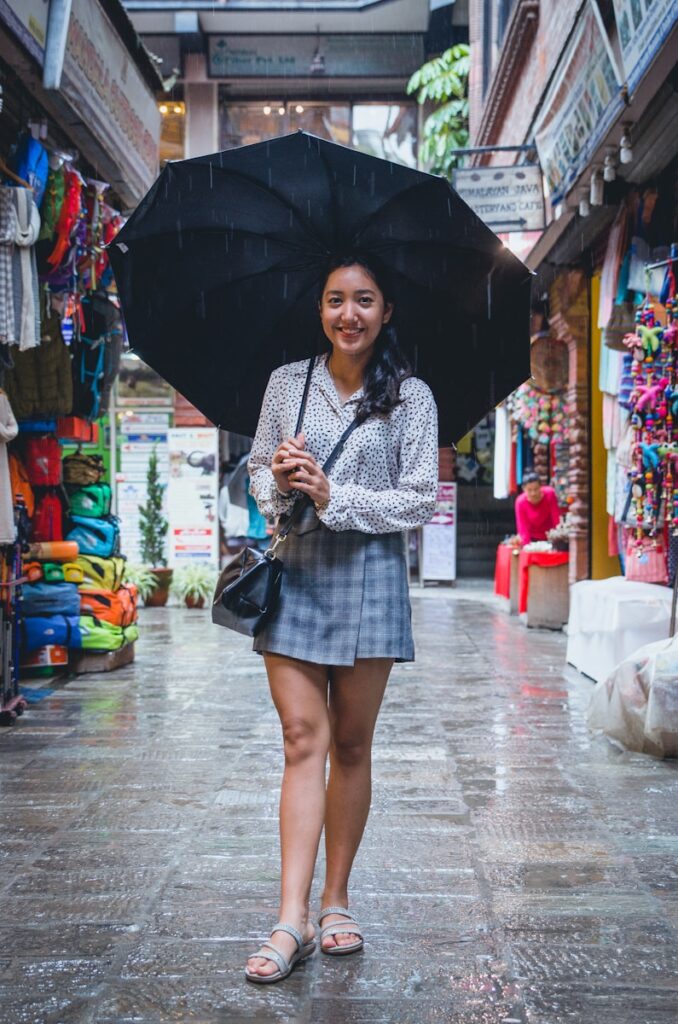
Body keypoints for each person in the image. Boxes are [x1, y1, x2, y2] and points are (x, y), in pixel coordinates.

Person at [244, 253, 438, 983]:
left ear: (386, 311)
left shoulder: (411, 397)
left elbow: (420, 499)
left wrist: (335, 495)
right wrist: (281, 481)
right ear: (319, 309)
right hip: (295, 569)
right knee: (303, 739)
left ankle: (336, 899)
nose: (347, 314)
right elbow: (258, 468)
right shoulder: (286, 385)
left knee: (351, 746)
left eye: (363, 300)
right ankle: (290, 915)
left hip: (371, 576)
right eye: (334, 300)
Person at [515, 470, 560, 545]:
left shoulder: (550, 494)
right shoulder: (520, 502)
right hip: (532, 539)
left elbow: (556, 519)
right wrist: (527, 547)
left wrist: (558, 540)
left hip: (551, 537)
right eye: (529, 490)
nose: (533, 493)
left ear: (540, 487)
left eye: (536, 489)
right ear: (524, 489)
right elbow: (522, 528)